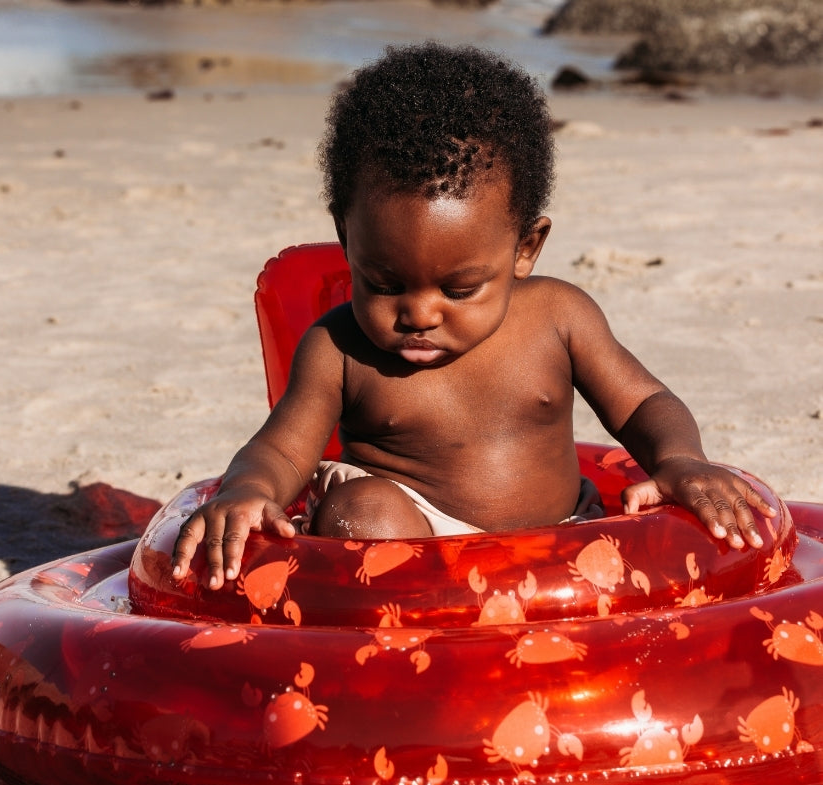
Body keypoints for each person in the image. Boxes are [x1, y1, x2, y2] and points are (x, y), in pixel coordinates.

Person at [172, 42, 777, 589]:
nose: (419, 313)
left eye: (459, 289)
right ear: (347, 239)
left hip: (562, 538)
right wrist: (248, 490)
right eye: (383, 283)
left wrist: (679, 461)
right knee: (363, 511)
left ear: (524, 249)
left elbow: (644, 403)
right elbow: (279, 451)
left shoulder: (558, 316)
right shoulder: (338, 349)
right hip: (413, 546)